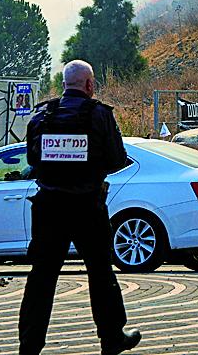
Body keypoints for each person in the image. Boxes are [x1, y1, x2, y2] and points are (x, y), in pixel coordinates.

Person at [18, 60, 140, 355]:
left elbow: (33, 161)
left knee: (42, 277)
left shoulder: (41, 117)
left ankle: (29, 347)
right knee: (100, 273)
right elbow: (116, 159)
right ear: (89, 85)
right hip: (87, 206)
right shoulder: (100, 115)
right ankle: (112, 339)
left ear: (64, 84)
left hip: (48, 208)